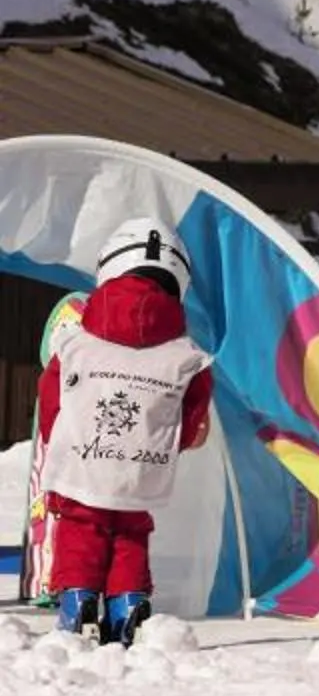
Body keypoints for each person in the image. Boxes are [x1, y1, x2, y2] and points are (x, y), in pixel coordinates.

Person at [36, 218, 214, 647]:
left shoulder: (75, 341)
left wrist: (57, 439)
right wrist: (177, 441)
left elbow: (51, 397)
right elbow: (192, 414)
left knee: (83, 528)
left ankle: (78, 602)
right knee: (130, 531)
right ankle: (128, 605)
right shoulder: (186, 354)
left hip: (83, 458)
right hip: (143, 467)